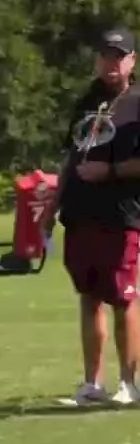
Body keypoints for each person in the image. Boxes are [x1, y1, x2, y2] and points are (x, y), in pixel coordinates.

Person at [44, 28, 140, 406]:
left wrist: (110, 172)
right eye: (105, 55)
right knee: (89, 297)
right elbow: (71, 157)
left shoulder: (137, 103)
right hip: (81, 213)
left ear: (132, 61)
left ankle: (129, 384)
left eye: (119, 56)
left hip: (123, 214)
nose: (111, 63)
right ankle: (91, 383)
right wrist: (52, 207)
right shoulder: (86, 101)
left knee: (124, 297)